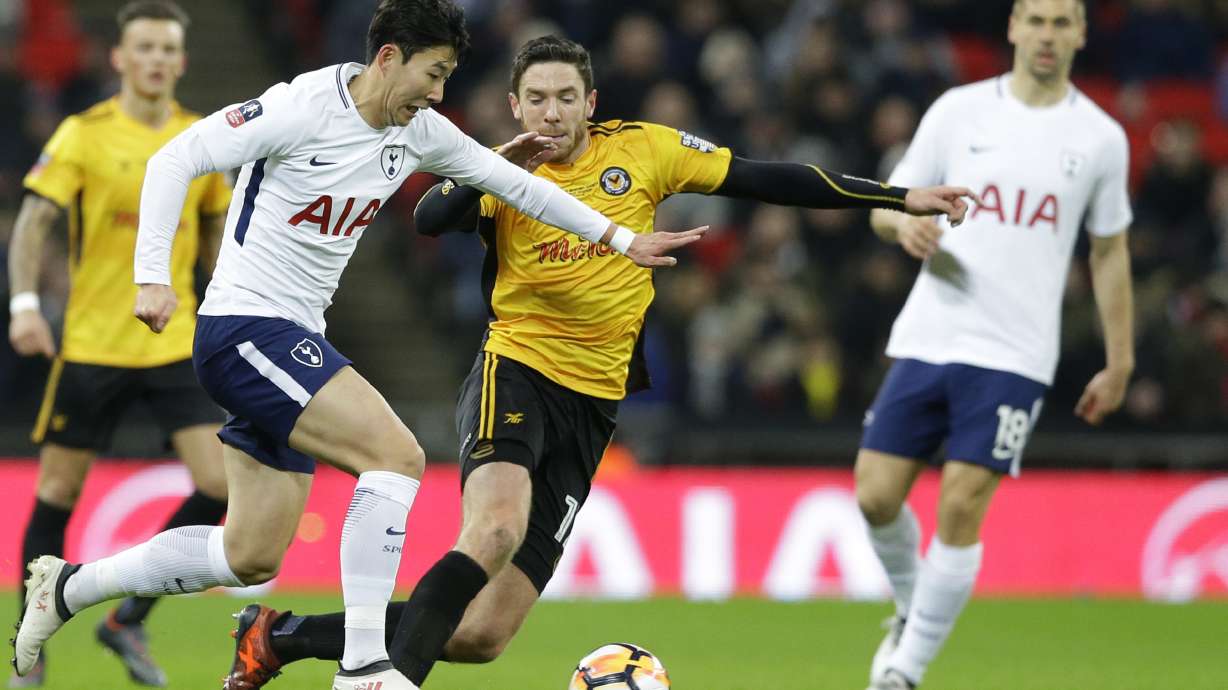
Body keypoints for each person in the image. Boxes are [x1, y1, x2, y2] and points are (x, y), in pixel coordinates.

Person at [217, 34, 974, 690]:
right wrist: (483, 167)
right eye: (537, 98)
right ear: (514, 106)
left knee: (481, 635)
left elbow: (766, 177)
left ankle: (279, 638)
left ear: (590, 102)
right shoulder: (499, 170)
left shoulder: (645, 150)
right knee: (492, 530)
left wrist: (900, 195)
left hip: (594, 403)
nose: (551, 112)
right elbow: (427, 218)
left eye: (566, 97)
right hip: (513, 369)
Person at [10, 3, 704, 690]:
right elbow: (174, 158)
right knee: (395, 455)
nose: (437, 94)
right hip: (243, 328)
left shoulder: (421, 130)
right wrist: (153, 278)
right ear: (389, 58)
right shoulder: (299, 107)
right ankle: (365, 662)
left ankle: (67, 587)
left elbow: (517, 186)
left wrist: (620, 239)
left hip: (291, 338)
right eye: (432, 74)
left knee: (247, 553)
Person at [853, 1, 1134, 688]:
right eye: (1035, 20)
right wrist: (903, 228)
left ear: (1081, 36)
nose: (1047, 34)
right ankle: (914, 609)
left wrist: (1120, 359)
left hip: (1016, 351)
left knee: (960, 503)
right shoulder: (958, 110)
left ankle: (906, 670)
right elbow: (887, 204)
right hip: (932, 332)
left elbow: (1109, 252)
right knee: (875, 497)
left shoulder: (1099, 138)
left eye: (1061, 22)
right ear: (1013, 27)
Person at [6, 2, 230, 686]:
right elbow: (34, 224)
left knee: (220, 486)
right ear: (121, 59)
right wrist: (23, 305)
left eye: (168, 48)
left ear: (181, 62)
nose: (158, 59)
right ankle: (31, 646)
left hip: (177, 342)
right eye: (146, 47)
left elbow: (219, 244)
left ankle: (125, 619)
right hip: (95, 343)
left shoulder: (202, 140)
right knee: (57, 495)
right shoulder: (83, 134)